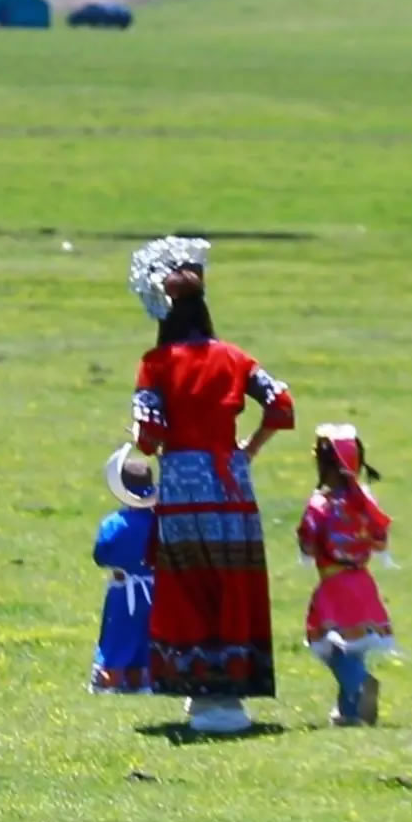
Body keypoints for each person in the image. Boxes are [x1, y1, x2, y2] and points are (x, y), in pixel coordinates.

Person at [125, 236, 293, 733]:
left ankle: (199, 689)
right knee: (234, 580)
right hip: (231, 484)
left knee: (189, 582)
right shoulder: (236, 358)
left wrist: (142, 437)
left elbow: (149, 437)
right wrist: (250, 447)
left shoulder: (156, 363)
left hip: (183, 486)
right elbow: (281, 405)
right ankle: (233, 690)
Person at [296, 424, 394, 726]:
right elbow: (380, 541)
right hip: (363, 583)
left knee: (332, 647)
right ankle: (349, 711)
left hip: (333, 584)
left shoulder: (320, 505)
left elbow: (308, 545)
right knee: (354, 646)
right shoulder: (364, 503)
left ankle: (360, 682)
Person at [89, 457, 156, 694]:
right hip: (155, 590)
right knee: (145, 637)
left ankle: (110, 681)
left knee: (117, 638)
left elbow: (101, 555)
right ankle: (141, 681)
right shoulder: (159, 522)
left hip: (123, 590)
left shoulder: (114, 523)